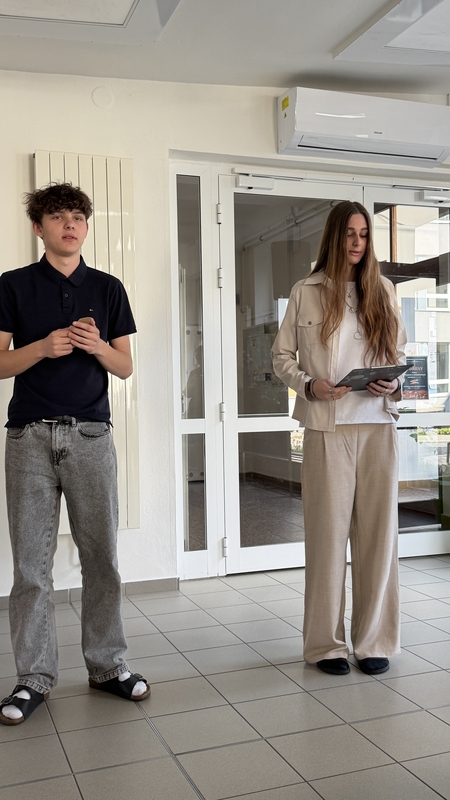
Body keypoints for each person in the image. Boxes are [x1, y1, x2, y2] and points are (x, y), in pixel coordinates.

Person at [0, 182, 150, 726]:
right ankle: (33, 678)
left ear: (86, 227)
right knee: (31, 568)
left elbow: (125, 367)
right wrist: (42, 348)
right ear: (37, 227)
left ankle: (107, 667)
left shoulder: (108, 288)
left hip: (90, 437)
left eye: (78, 217)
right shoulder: (12, 285)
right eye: (58, 217)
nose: (70, 225)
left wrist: (96, 346)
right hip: (28, 438)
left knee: (102, 559)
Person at [272, 200, 407, 677]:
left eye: (364, 234)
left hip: (377, 425)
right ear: (334, 236)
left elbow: (400, 354)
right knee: (327, 539)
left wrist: (392, 383)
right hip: (327, 427)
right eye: (349, 233)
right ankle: (325, 646)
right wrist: (310, 385)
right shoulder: (306, 291)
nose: (357, 242)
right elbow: (281, 357)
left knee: (378, 540)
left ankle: (373, 641)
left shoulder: (384, 290)